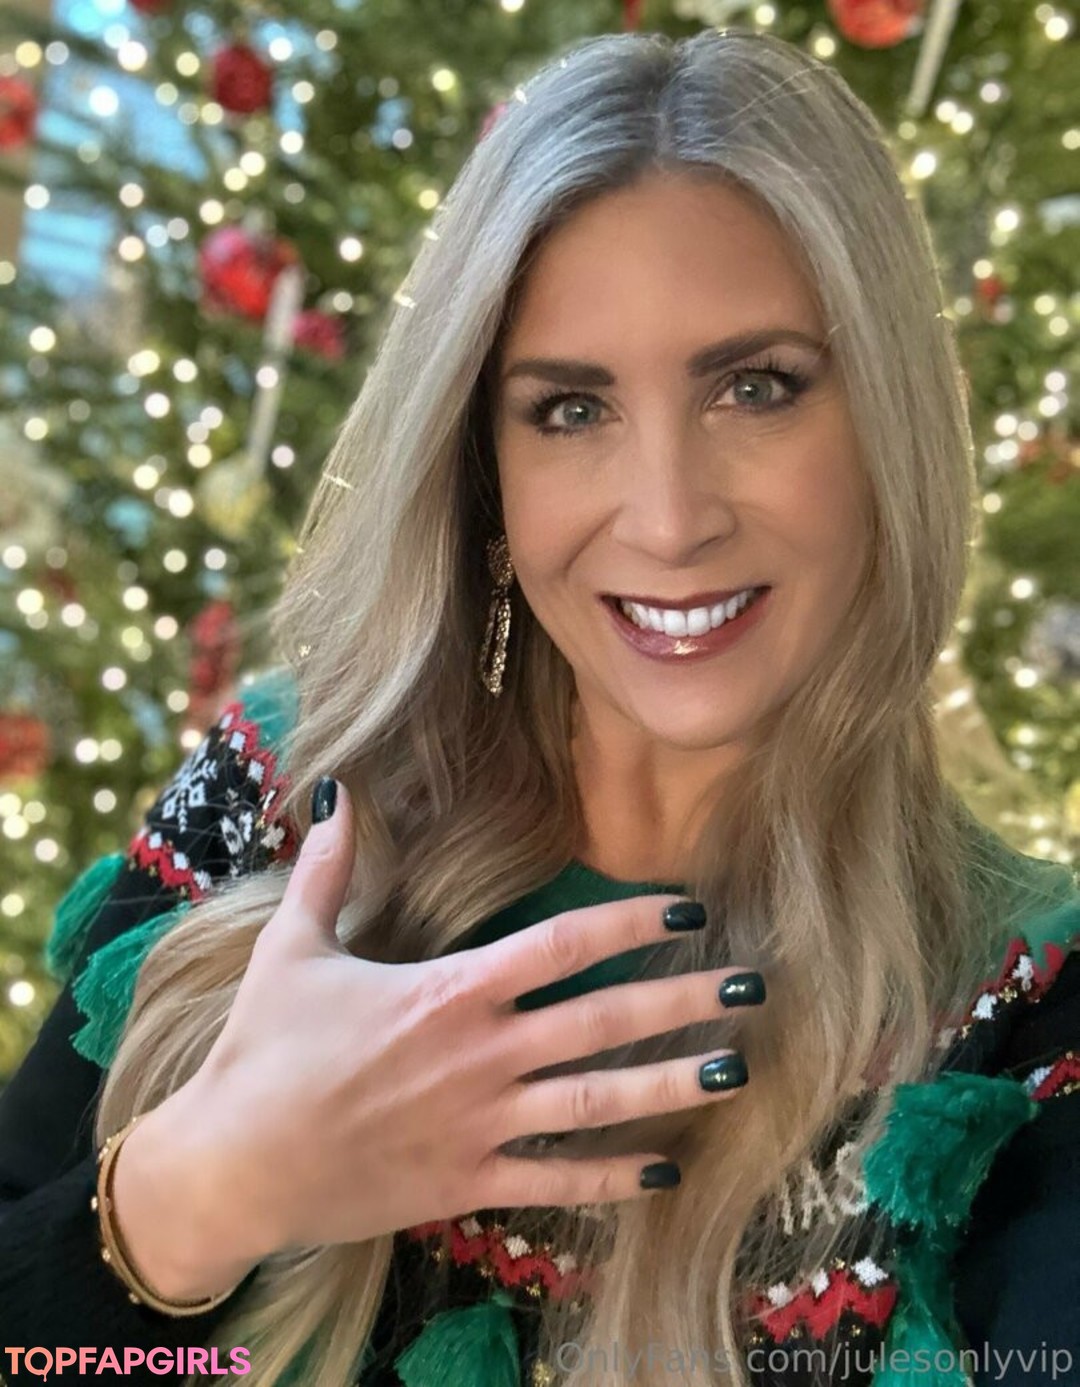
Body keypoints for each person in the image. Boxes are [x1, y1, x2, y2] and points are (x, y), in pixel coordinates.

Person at [1, 24, 1078, 1387]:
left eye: (756, 389)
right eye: (570, 410)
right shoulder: (283, 791)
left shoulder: (1027, 1003)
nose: (670, 520)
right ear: (484, 473)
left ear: (887, 428)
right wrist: (201, 1196)